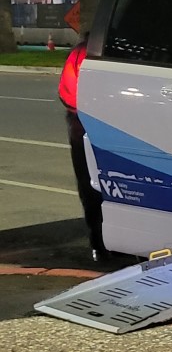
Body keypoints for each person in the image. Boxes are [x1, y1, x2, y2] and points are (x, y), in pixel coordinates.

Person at [58, 33, 109, 263]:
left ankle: (103, 244)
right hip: (86, 127)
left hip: (85, 126)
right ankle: (100, 243)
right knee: (92, 188)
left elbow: (67, 95)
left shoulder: (82, 53)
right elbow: (70, 96)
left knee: (92, 188)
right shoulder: (82, 55)